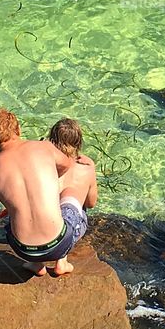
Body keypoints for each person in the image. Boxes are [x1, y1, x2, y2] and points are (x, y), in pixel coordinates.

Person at [0, 109, 77, 280]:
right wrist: (48, 182)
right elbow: (67, 164)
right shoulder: (44, 147)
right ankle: (62, 262)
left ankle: (36, 264)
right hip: (59, 244)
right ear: (18, 130)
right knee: (73, 203)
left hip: (25, 251)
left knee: (10, 218)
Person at [46, 118, 96, 275]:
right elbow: (91, 203)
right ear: (78, 143)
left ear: (52, 140)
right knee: (74, 208)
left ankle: (38, 262)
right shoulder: (86, 169)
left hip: (45, 227)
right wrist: (92, 168)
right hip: (69, 229)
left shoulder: (45, 166)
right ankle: (62, 260)